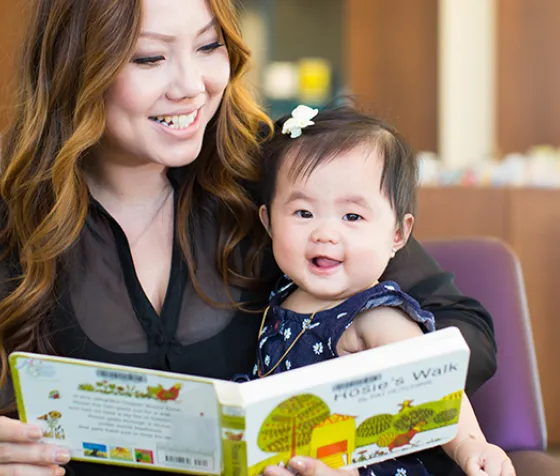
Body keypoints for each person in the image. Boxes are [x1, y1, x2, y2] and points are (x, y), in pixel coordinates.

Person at [0, 1, 496, 476]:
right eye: (150, 57)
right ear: (76, 64)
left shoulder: (281, 172)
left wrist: (347, 390)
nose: (192, 87)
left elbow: (466, 331)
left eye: (209, 46)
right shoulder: (16, 212)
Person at [253, 104, 515, 476]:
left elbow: (435, 384)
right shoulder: (281, 294)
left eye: (352, 217)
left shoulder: (375, 316)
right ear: (267, 221)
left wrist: (469, 444)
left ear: (398, 235)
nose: (325, 233)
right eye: (303, 213)